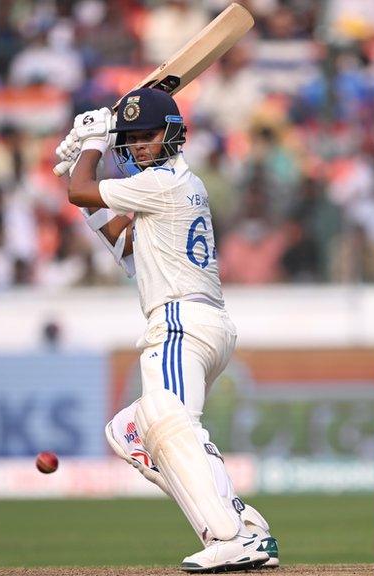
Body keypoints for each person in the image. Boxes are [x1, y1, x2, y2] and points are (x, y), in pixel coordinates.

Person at [54, 88, 278, 573]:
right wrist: (85, 168)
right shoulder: (171, 186)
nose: (138, 146)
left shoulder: (162, 182)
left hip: (179, 323)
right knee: (131, 431)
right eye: (130, 138)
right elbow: (124, 245)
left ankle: (226, 535)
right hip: (204, 322)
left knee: (171, 423)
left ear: (172, 134)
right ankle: (245, 524)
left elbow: (80, 188)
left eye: (147, 136)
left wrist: (89, 145)